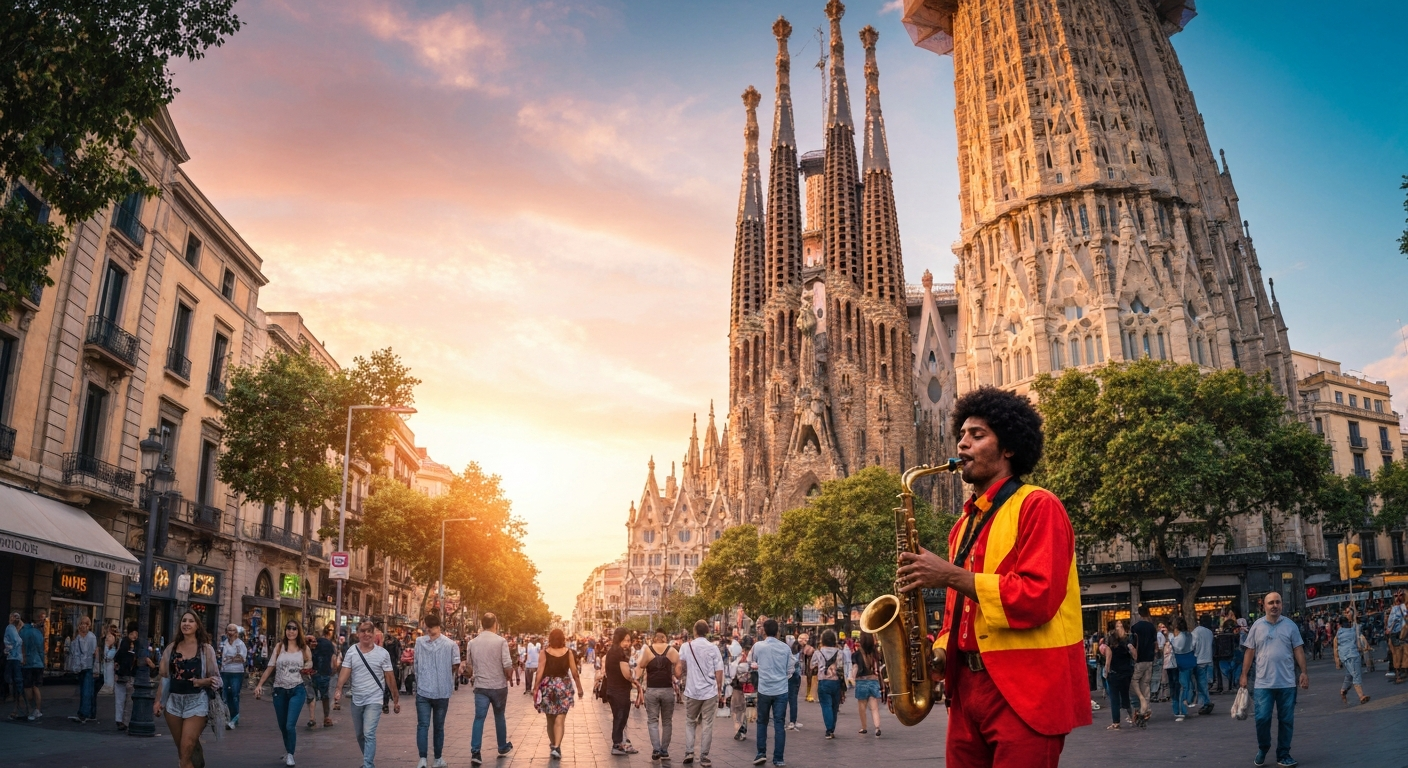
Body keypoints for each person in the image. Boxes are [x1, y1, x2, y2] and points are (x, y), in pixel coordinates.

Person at [896, 387, 1091, 766]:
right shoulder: (962, 526)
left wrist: (950, 575)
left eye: (977, 435)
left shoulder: (1039, 505)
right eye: (961, 435)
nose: (962, 444)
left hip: (1026, 692)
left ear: (1009, 448)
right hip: (967, 694)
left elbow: (1037, 598)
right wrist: (939, 651)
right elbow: (956, 616)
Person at [1240, 592, 1308, 768]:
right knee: (1262, 719)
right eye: (1271, 603)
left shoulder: (1290, 626)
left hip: (1287, 683)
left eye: (1277, 602)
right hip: (1263, 684)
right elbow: (1249, 651)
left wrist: (1303, 672)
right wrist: (1244, 674)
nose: (1274, 605)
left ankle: (1283, 754)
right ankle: (1263, 748)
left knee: (1286, 720)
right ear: (1264, 606)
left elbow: (1298, 649)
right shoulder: (1257, 626)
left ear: (1282, 605)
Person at [155, 610, 222, 768]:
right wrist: (158, 701)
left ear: (197, 626)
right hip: (174, 703)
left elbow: (218, 680)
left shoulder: (205, 650)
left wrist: (201, 682)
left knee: (186, 747)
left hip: (197, 702)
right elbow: (165, 678)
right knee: (183, 751)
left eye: (191, 621)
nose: (186, 624)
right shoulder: (171, 648)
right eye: (184, 620)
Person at [335, 620, 400, 768]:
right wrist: (338, 688)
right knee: (360, 735)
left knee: (369, 733)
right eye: (363, 631)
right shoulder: (352, 651)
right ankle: (368, 760)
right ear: (358, 634)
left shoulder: (382, 654)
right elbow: (345, 671)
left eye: (369, 631)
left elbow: (390, 677)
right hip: (357, 698)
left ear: (374, 634)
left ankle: (368, 764)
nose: (366, 634)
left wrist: (396, 699)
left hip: (374, 699)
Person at [255, 621, 313, 766]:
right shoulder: (279, 647)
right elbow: (270, 667)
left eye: (294, 629)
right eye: (288, 628)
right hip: (279, 690)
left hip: (297, 689)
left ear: (298, 631)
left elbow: (309, 663)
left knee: (289, 725)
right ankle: (288, 750)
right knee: (282, 725)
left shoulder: (304, 648)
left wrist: (306, 668)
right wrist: (259, 684)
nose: (291, 631)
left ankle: (291, 754)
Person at [465, 612, 514, 765]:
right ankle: (502, 746)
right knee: (499, 716)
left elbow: (469, 668)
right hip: (498, 686)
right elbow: (507, 665)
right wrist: (509, 677)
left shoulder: (472, 643)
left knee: (479, 718)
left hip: (481, 686)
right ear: (495, 624)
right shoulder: (501, 641)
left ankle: (475, 751)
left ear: (482, 624)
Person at [411, 612, 459, 768]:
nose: (429, 630)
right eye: (428, 627)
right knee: (427, 725)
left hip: (438, 691)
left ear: (438, 627)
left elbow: (455, 666)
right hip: (430, 691)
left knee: (433, 726)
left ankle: (432, 759)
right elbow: (455, 666)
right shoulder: (421, 642)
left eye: (431, 627)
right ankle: (427, 759)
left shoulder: (450, 644)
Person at [678, 620, 724, 768]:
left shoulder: (686, 647)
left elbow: (681, 666)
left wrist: (681, 678)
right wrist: (719, 689)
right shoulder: (713, 648)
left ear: (694, 631)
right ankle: (704, 757)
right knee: (707, 724)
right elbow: (719, 670)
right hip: (710, 692)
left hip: (692, 691)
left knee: (690, 721)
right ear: (707, 631)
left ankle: (689, 752)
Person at [534, 628, 584, 760]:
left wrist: (535, 688)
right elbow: (575, 672)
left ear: (550, 639)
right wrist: (579, 689)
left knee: (550, 718)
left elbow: (539, 671)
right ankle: (557, 746)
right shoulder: (568, 652)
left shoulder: (544, 652)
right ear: (563, 639)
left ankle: (553, 744)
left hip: (548, 687)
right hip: (564, 686)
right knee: (560, 718)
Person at [750, 619, 793, 767]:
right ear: (778, 632)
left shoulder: (758, 647)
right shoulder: (785, 648)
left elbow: (752, 662)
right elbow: (790, 669)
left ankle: (761, 753)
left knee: (762, 722)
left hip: (764, 689)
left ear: (764, 631)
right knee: (779, 723)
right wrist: (782, 677)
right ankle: (778, 758)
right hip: (781, 690)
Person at [637, 629, 680, 762]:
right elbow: (678, 670)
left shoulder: (648, 650)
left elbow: (641, 665)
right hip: (667, 689)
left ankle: (656, 749)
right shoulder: (672, 650)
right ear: (665, 638)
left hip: (652, 689)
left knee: (652, 720)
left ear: (655, 639)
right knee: (667, 721)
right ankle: (664, 750)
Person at [605, 626, 643, 756]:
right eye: (625, 640)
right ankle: (617, 745)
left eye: (628, 640)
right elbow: (626, 674)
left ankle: (622, 743)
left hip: (613, 689)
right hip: (619, 691)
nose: (627, 643)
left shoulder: (612, 651)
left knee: (619, 717)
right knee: (620, 717)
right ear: (619, 639)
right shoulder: (619, 653)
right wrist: (634, 679)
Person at [810, 630, 847, 740]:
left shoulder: (818, 652)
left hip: (823, 682)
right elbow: (842, 667)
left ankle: (829, 729)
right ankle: (832, 729)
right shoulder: (840, 652)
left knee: (826, 705)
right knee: (835, 707)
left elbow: (812, 666)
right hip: (836, 682)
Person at [66, 615, 99, 724]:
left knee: (86, 691)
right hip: (80, 667)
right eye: (81, 623)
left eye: (86, 624)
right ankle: (88, 713)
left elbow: (93, 653)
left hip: (88, 667)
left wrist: (96, 668)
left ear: (89, 626)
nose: (83, 626)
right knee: (85, 691)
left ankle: (84, 714)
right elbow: (74, 652)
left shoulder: (91, 637)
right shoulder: (77, 637)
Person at [1102, 622, 1135, 730]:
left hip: (1114, 673)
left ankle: (1116, 722)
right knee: (1125, 696)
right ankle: (1132, 716)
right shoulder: (1126, 643)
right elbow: (1134, 656)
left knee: (1114, 699)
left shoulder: (1110, 646)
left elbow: (1108, 660)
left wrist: (1106, 673)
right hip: (1126, 672)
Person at [850, 632, 882, 738]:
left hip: (861, 681)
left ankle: (864, 727)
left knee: (862, 707)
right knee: (874, 707)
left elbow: (855, 667)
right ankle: (877, 727)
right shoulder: (875, 653)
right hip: (873, 681)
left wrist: (852, 678)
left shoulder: (857, 654)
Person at [1332, 614, 1369, 706]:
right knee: (1356, 674)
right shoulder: (1352, 630)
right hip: (1352, 655)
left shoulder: (1339, 634)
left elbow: (1335, 648)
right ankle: (1361, 696)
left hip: (1345, 656)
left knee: (1350, 674)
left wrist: (1337, 661)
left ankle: (1343, 690)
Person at [306, 623, 338, 728]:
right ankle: (326, 718)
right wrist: (334, 669)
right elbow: (334, 660)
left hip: (312, 672)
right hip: (325, 672)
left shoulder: (312, 643)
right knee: (325, 696)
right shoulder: (330, 644)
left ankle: (312, 718)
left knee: (312, 695)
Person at [218, 623, 247, 730]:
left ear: (236, 633)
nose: (230, 633)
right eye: (229, 630)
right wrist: (233, 658)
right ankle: (226, 717)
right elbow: (219, 657)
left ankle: (234, 718)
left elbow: (242, 659)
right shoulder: (223, 644)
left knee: (235, 695)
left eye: (233, 630)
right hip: (224, 672)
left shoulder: (240, 644)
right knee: (225, 695)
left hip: (237, 672)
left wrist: (229, 659)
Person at [1129, 606, 1156, 720]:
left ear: (1139, 614)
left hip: (1139, 658)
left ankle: (1140, 703)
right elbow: (1155, 643)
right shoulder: (1152, 627)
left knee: (1134, 681)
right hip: (1149, 658)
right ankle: (1146, 709)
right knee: (1146, 683)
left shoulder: (1135, 628)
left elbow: (1133, 643)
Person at [112, 622, 141, 730]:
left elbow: (118, 658)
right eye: (133, 633)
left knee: (124, 699)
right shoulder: (127, 643)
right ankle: (122, 720)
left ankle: (122, 720)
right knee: (125, 699)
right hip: (127, 674)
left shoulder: (128, 643)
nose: (135, 636)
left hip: (126, 674)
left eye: (136, 634)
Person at [726, 636, 752, 742]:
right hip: (750, 687)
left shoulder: (738, 657)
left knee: (737, 710)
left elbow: (732, 673)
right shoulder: (754, 657)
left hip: (739, 687)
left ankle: (739, 730)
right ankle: (742, 730)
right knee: (747, 710)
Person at [1168, 618, 1194, 722]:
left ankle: (1181, 709)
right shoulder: (1189, 635)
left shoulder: (1179, 636)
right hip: (1189, 660)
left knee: (1182, 686)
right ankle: (1184, 705)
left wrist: (1171, 640)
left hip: (1180, 661)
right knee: (1187, 684)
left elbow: (1178, 648)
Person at [1190, 615, 1214, 715]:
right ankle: (1203, 703)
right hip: (1209, 659)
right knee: (1205, 683)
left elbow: (1192, 646)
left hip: (1199, 660)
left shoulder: (1195, 632)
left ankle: (1206, 702)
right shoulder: (1210, 632)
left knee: (1201, 684)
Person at [6, 611, 27, 721]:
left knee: (18, 684)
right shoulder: (14, 629)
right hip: (16, 659)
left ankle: (20, 709)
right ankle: (19, 709)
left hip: (18, 660)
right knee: (17, 684)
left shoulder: (19, 630)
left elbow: (21, 645)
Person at [1389, 591, 1407, 684]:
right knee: (1397, 653)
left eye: (1400, 595)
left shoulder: (1400, 607)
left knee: (1400, 652)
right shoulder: (1395, 608)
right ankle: (1399, 675)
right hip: (1396, 633)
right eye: (1396, 596)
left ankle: (1400, 673)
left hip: (1399, 632)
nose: (1398, 597)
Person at [785, 636, 802, 731]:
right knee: (793, 699)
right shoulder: (797, 652)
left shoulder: (786, 652)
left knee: (788, 699)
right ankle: (793, 720)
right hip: (797, 676)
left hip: (789, 676)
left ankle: (791, 721)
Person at [800, 634, 816, 704]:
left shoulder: (809, 648)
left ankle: (809, 694)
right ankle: (809, 694)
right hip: (809, 665)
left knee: (810, 680)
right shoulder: (808, 648)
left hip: (809, 665)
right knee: (809, 680)